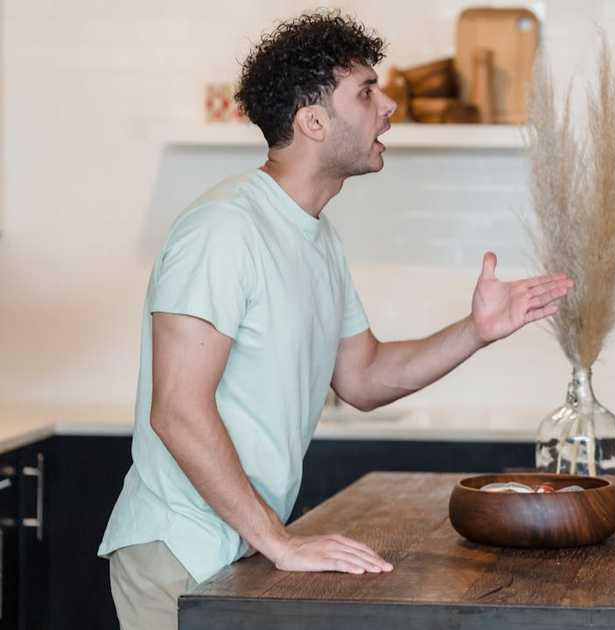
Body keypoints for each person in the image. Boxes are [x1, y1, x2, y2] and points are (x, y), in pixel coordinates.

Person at [97, 11, 574, 630]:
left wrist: (476, 330)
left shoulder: (316, 238)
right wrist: (282, 541)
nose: (389, 105)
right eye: (367, 91)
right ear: (313, 121)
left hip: (242, 545)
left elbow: (364, 377)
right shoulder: (224, 229)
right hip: (179, 552)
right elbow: (178, 410)